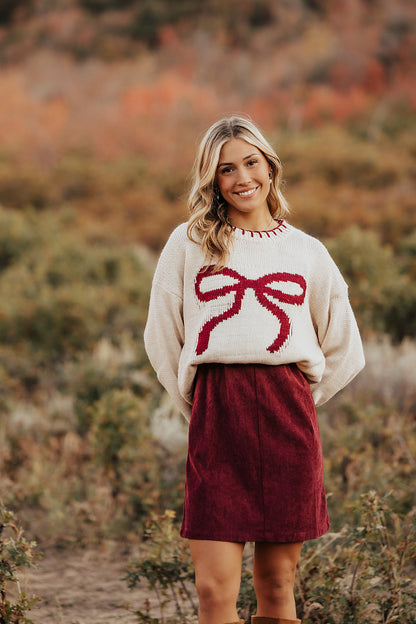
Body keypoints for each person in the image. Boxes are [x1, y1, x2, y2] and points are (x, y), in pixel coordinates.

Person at [144, 115, 365, 624]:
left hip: (287, 418)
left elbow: (344, 346)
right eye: (226, 169)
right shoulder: (188, 242)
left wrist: (296, 401)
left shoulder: (307, 251)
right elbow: (161, 337)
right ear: (212, 180)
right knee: (213, 590)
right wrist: (200, 405)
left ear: (270, 166)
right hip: (216, 416)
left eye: (251, 162)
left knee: (276, 586)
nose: (242, 177)